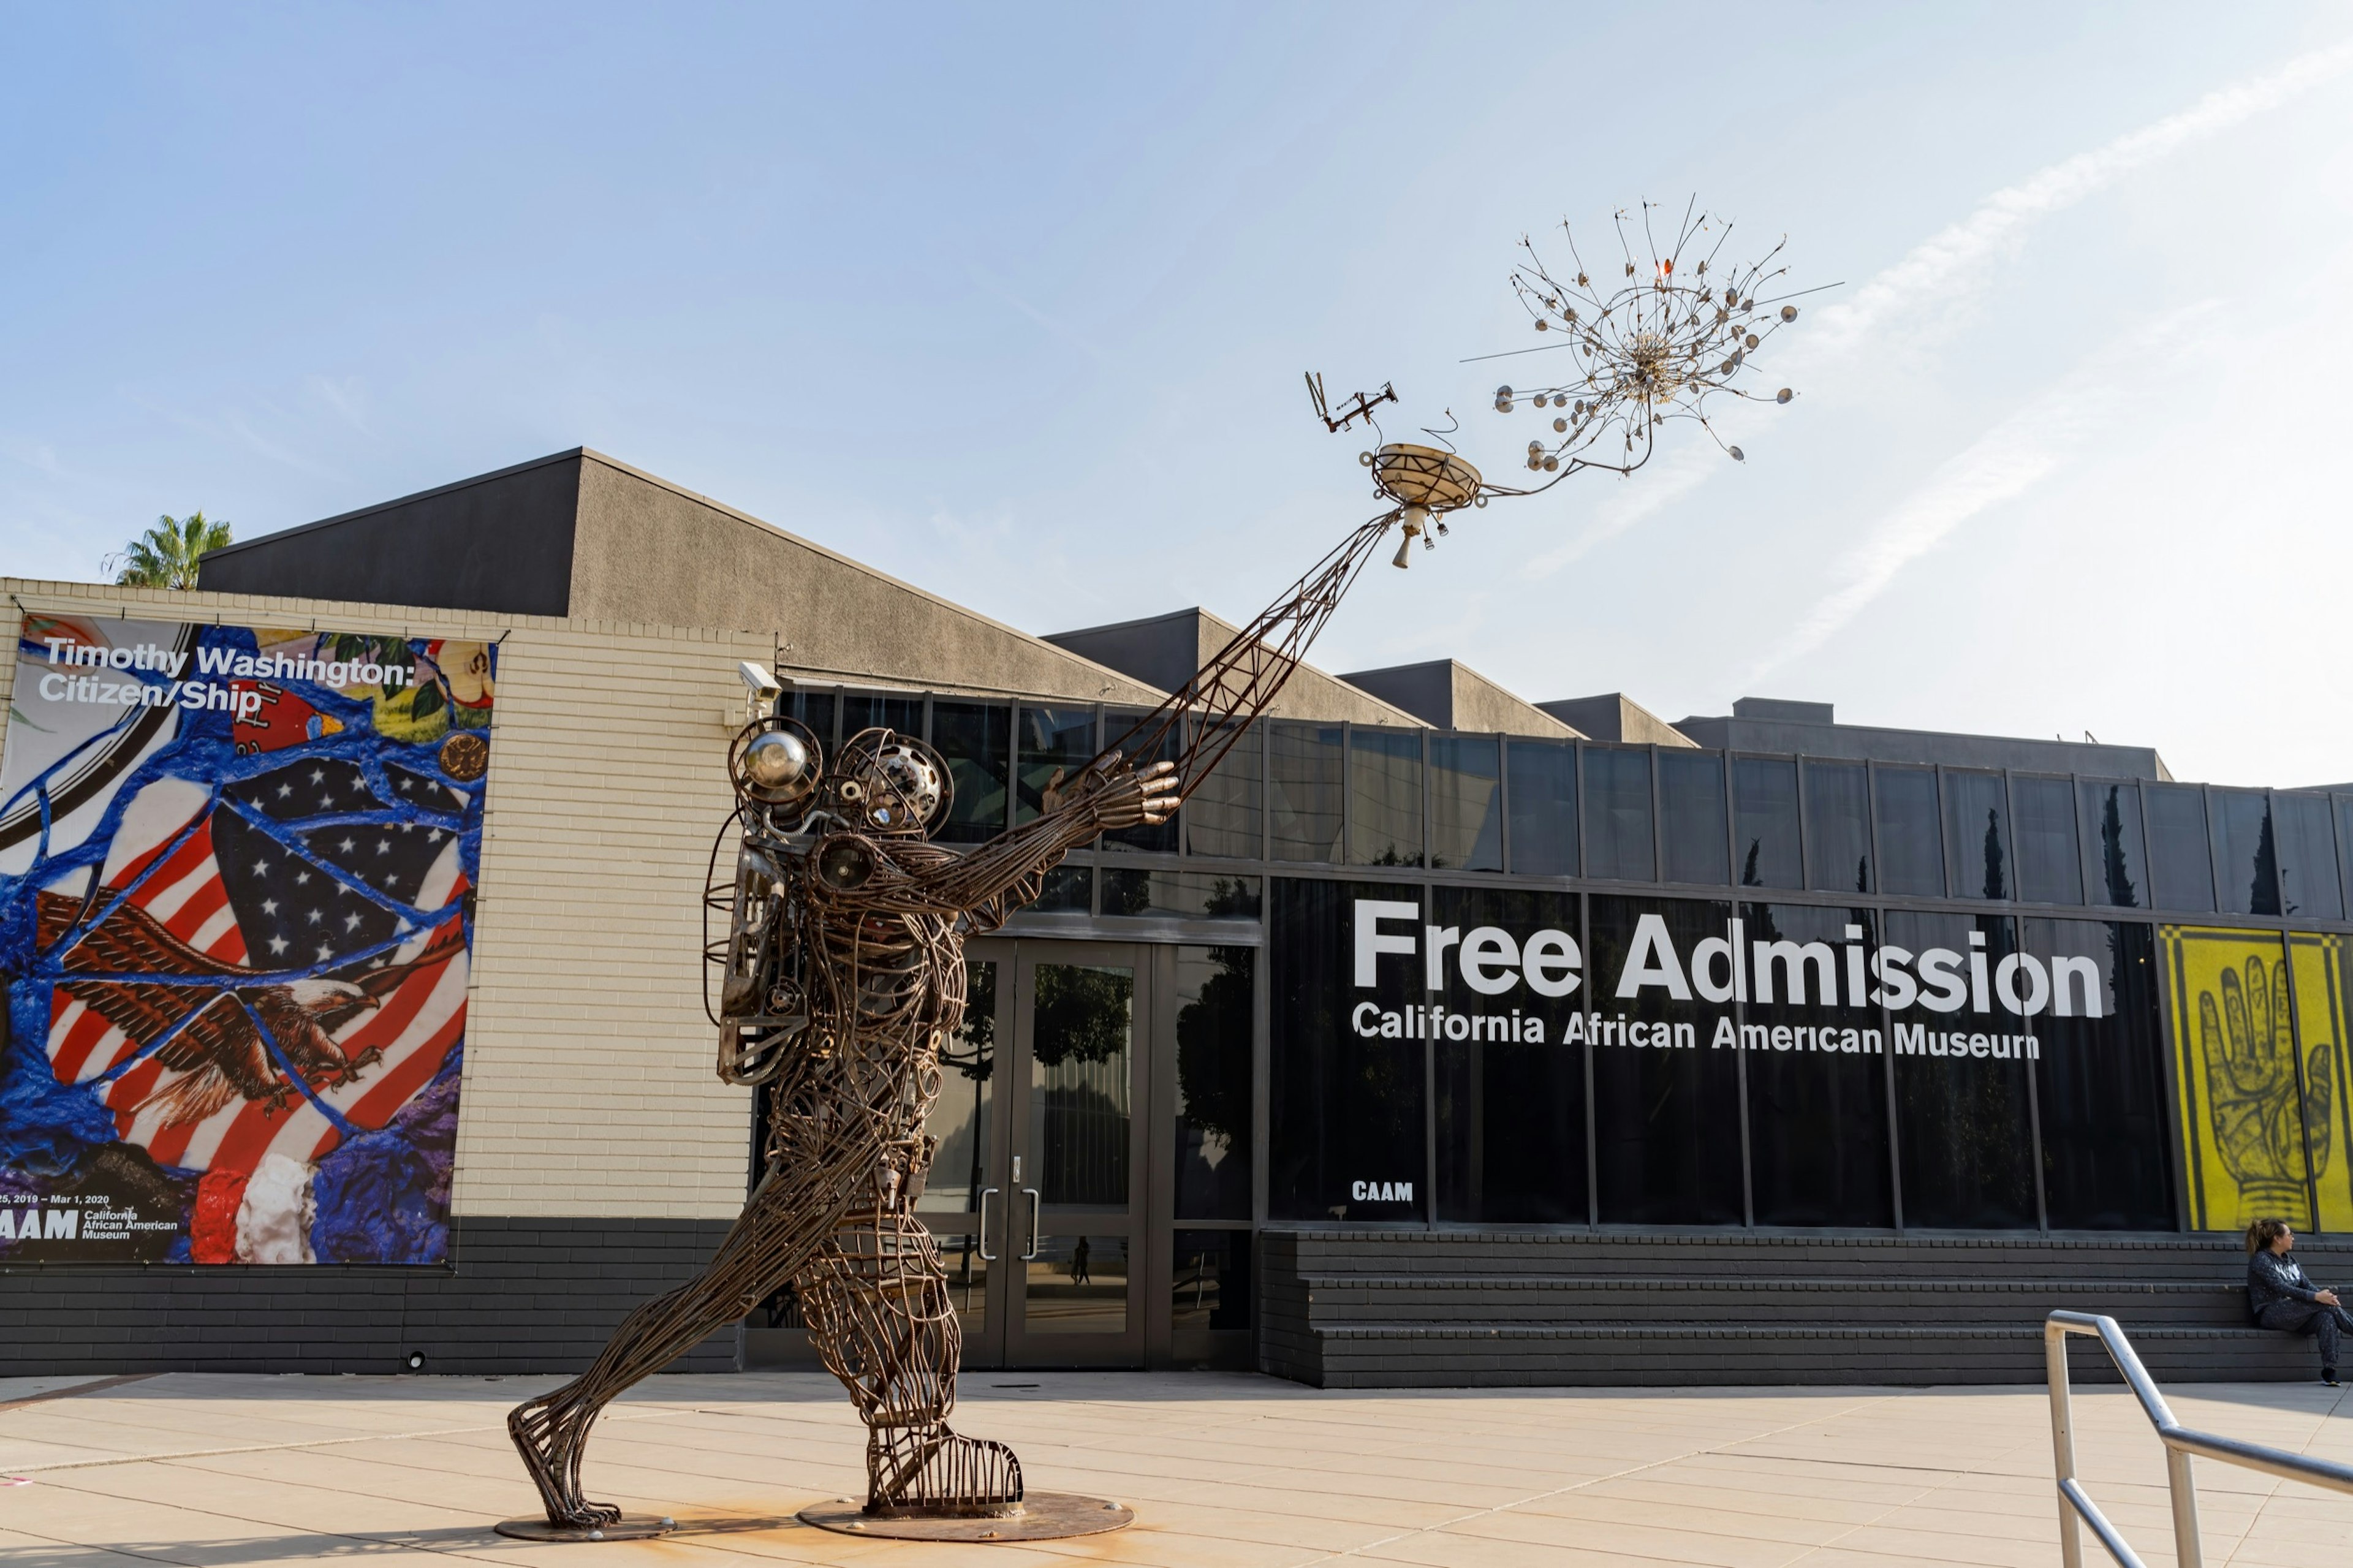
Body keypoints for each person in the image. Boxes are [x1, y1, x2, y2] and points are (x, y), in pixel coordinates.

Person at [2246, 1218, 2353, 1386]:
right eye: (2290, 1234)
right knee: (2323, 1304)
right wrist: (2317, 1298)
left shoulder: (2291, 1261)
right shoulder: (2261, 1260)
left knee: (2326, 1317)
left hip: (2297, 1314)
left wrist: (2326, 1296)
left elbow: (2308, 1285)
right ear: (2277, 1238)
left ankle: (2329, 1370)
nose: (2293, 1238)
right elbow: (2282, 1288)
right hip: (2270, 1313)